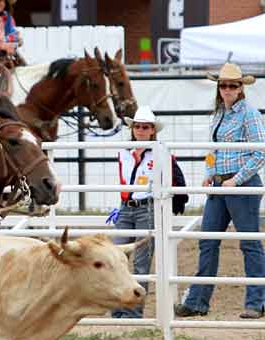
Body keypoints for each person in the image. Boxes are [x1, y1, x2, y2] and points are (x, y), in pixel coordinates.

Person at [175, 63, 265, 319]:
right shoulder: (219, 114)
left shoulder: (249, 114)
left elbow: (260, 152)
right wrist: (209, 173)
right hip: (220, 185)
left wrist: (236, 180)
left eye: (232, 85)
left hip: (241, 185)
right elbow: (213, 150)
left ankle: (256, 301)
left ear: (240, 88)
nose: (227, 89)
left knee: (249, 243)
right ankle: (197, 302)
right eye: (224, 85)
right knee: (208, 242)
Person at [110, 106, 189, 318]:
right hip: (127, 208)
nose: (141, 130)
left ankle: (133, 312)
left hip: (147, 208)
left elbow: (176, 176)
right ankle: (119, 309)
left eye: (145, 127)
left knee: (140, 263)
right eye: (138, 126)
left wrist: (177, 199)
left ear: (152, 130)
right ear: (133, 128)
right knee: (117, 257)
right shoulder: (124, 151)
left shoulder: (159, 151)